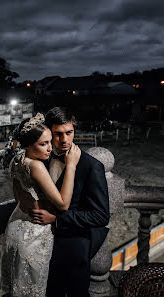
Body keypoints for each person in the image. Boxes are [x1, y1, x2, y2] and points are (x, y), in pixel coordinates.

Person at [0, 113, 81, 297]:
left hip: (16, 225)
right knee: (33, 290)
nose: (50, 148)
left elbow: (18, 195)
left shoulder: (15, 161)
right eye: (43, 144)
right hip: (35, 233)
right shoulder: (36, 166)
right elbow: (63, 204)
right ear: (28, 145)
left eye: (50, 141)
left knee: (17, 288)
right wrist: (72, 166)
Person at [30, 107, 110, 297]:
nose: (64, 140)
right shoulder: (42, 158)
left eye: (69, 133)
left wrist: (56, 220)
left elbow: (100, 215)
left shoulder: (92, 166)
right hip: (41, 241)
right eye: (58, 134)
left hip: (73, 241)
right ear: (49, 133)